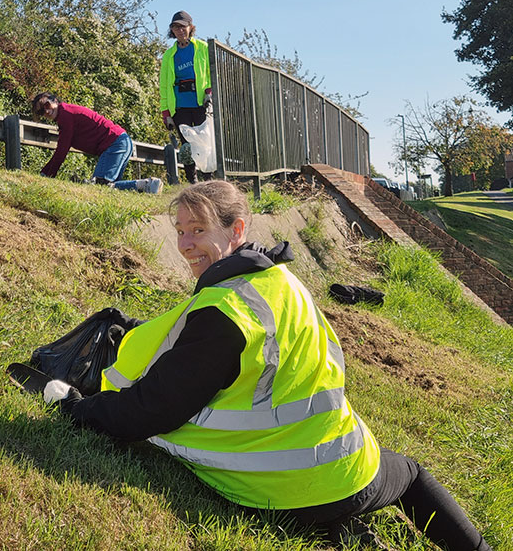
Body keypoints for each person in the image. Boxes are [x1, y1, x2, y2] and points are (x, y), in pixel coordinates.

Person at [42, 180, 493, 551]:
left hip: (276, 489)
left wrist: (77, 409)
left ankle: (337, 524)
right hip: (344, 467)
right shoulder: (280, 280)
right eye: (179, 230)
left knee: (377, 485)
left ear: (236, 229)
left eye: (197, 230)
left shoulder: (223, 312)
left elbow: (151, 409)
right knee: (409, 474)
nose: (184, 245)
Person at [31, 92, 162, 194]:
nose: (47, 111)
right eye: (42, 112)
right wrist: (45, 173)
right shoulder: (65, 115)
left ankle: (147, 185)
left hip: (114, 143)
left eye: (47, 105)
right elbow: (61, 150)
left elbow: (61, 151)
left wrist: (46, 175)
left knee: (100, 186)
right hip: (121, 141)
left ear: (55, 100)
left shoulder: (65, 115)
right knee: (110, 189)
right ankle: (146, 185)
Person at [159, 10, 213, 185]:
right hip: (179, 105)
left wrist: (209, 92)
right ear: (172, 31)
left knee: (204, 143)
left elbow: (212, 73)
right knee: (187, 146)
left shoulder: (202, 48)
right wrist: (165, 112)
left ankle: (209, 180)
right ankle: (193, 181)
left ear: (191, 28)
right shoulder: (169, 55)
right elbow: (164, 86)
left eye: (183, 27)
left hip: (200, 103)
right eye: (176, 27)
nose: (180, 30)